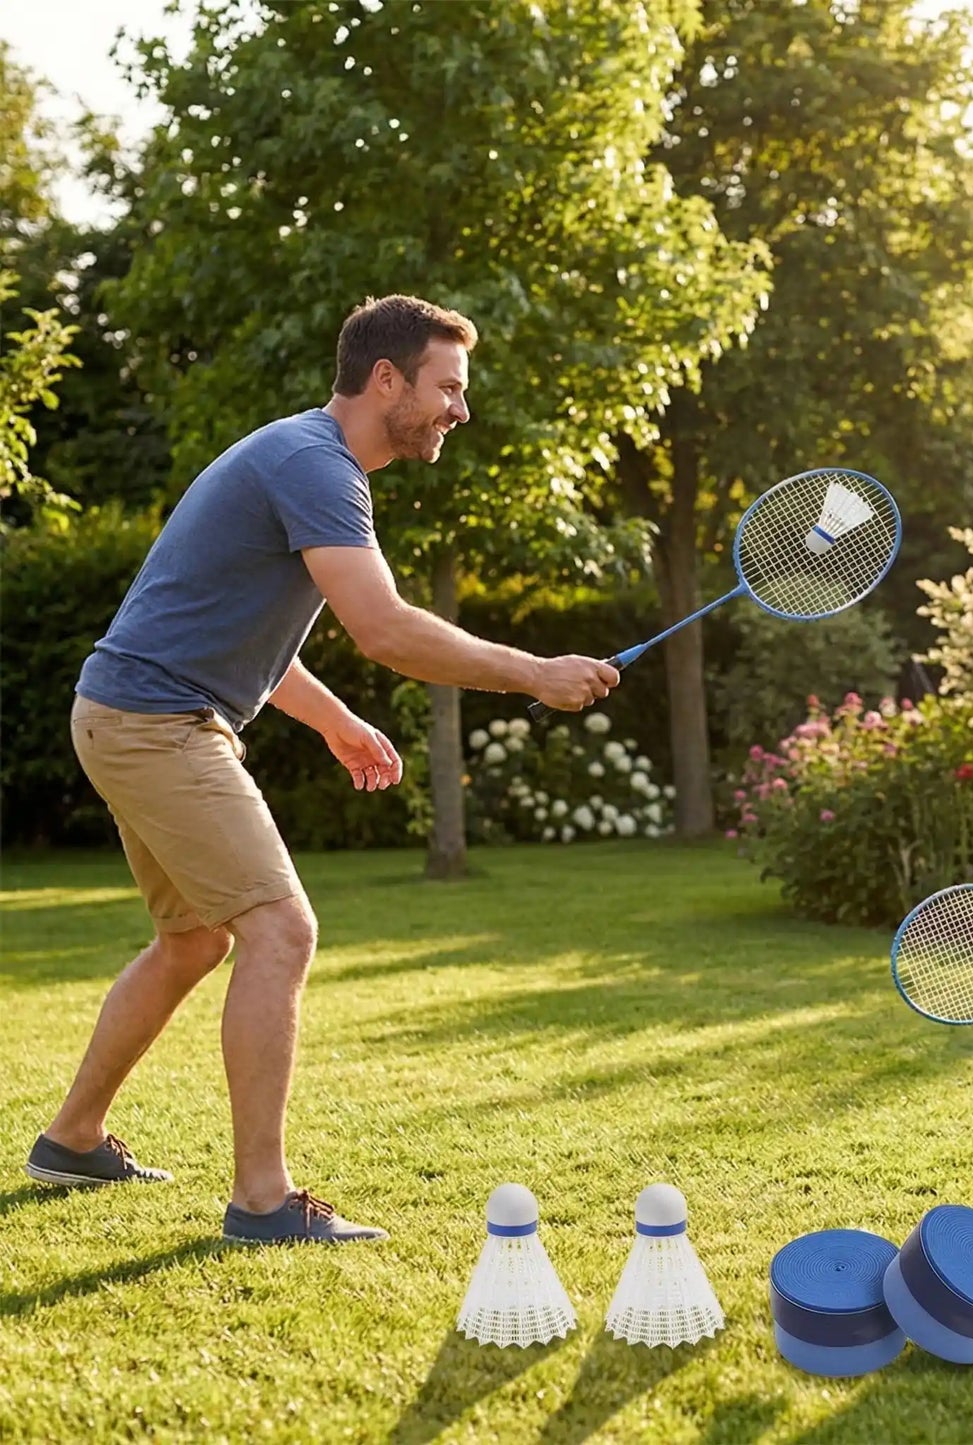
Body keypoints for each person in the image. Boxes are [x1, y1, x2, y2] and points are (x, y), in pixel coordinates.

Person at [26, 294, 620, 1243]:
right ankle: (262, 1200)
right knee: (280, 931)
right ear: (387, 379)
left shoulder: (302, 457)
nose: (459, 411)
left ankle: (73, 1138)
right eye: (449, 388)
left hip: (132, 713)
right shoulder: (318, 465)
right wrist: (533, 674)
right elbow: (383, 629)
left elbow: (238, 624)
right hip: (157, 723)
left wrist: (336, 719)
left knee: (196, 941)